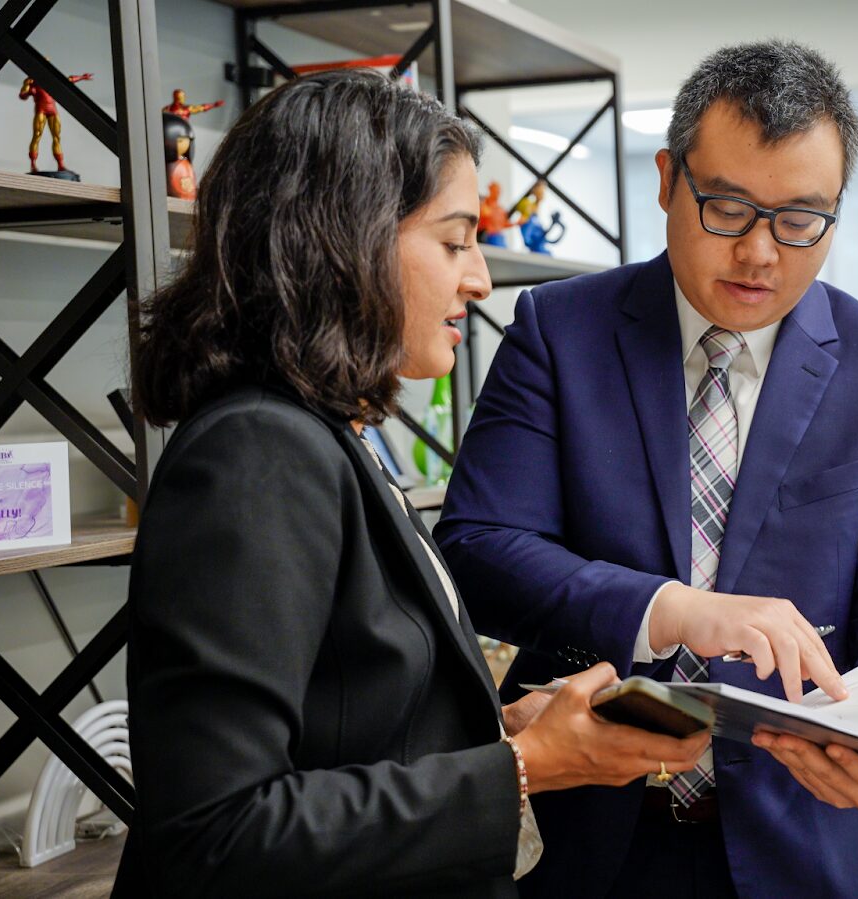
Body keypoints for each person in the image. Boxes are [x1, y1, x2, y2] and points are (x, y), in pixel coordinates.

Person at [113, 71, 707, 899]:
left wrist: (503, 735)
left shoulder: (330, 435)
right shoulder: (257, 453)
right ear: (343, 239)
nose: (480, 281)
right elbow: (215, 829)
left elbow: (348, 727)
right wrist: (523, 767)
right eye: (454, 241)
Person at [437, 41, 858, 899]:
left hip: (818, 841)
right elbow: (481, 549)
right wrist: (668, 610)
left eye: (801, 220)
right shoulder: (557, 333)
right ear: (666, 178)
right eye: (727, 207)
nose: (761, 253)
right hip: (598, 834)